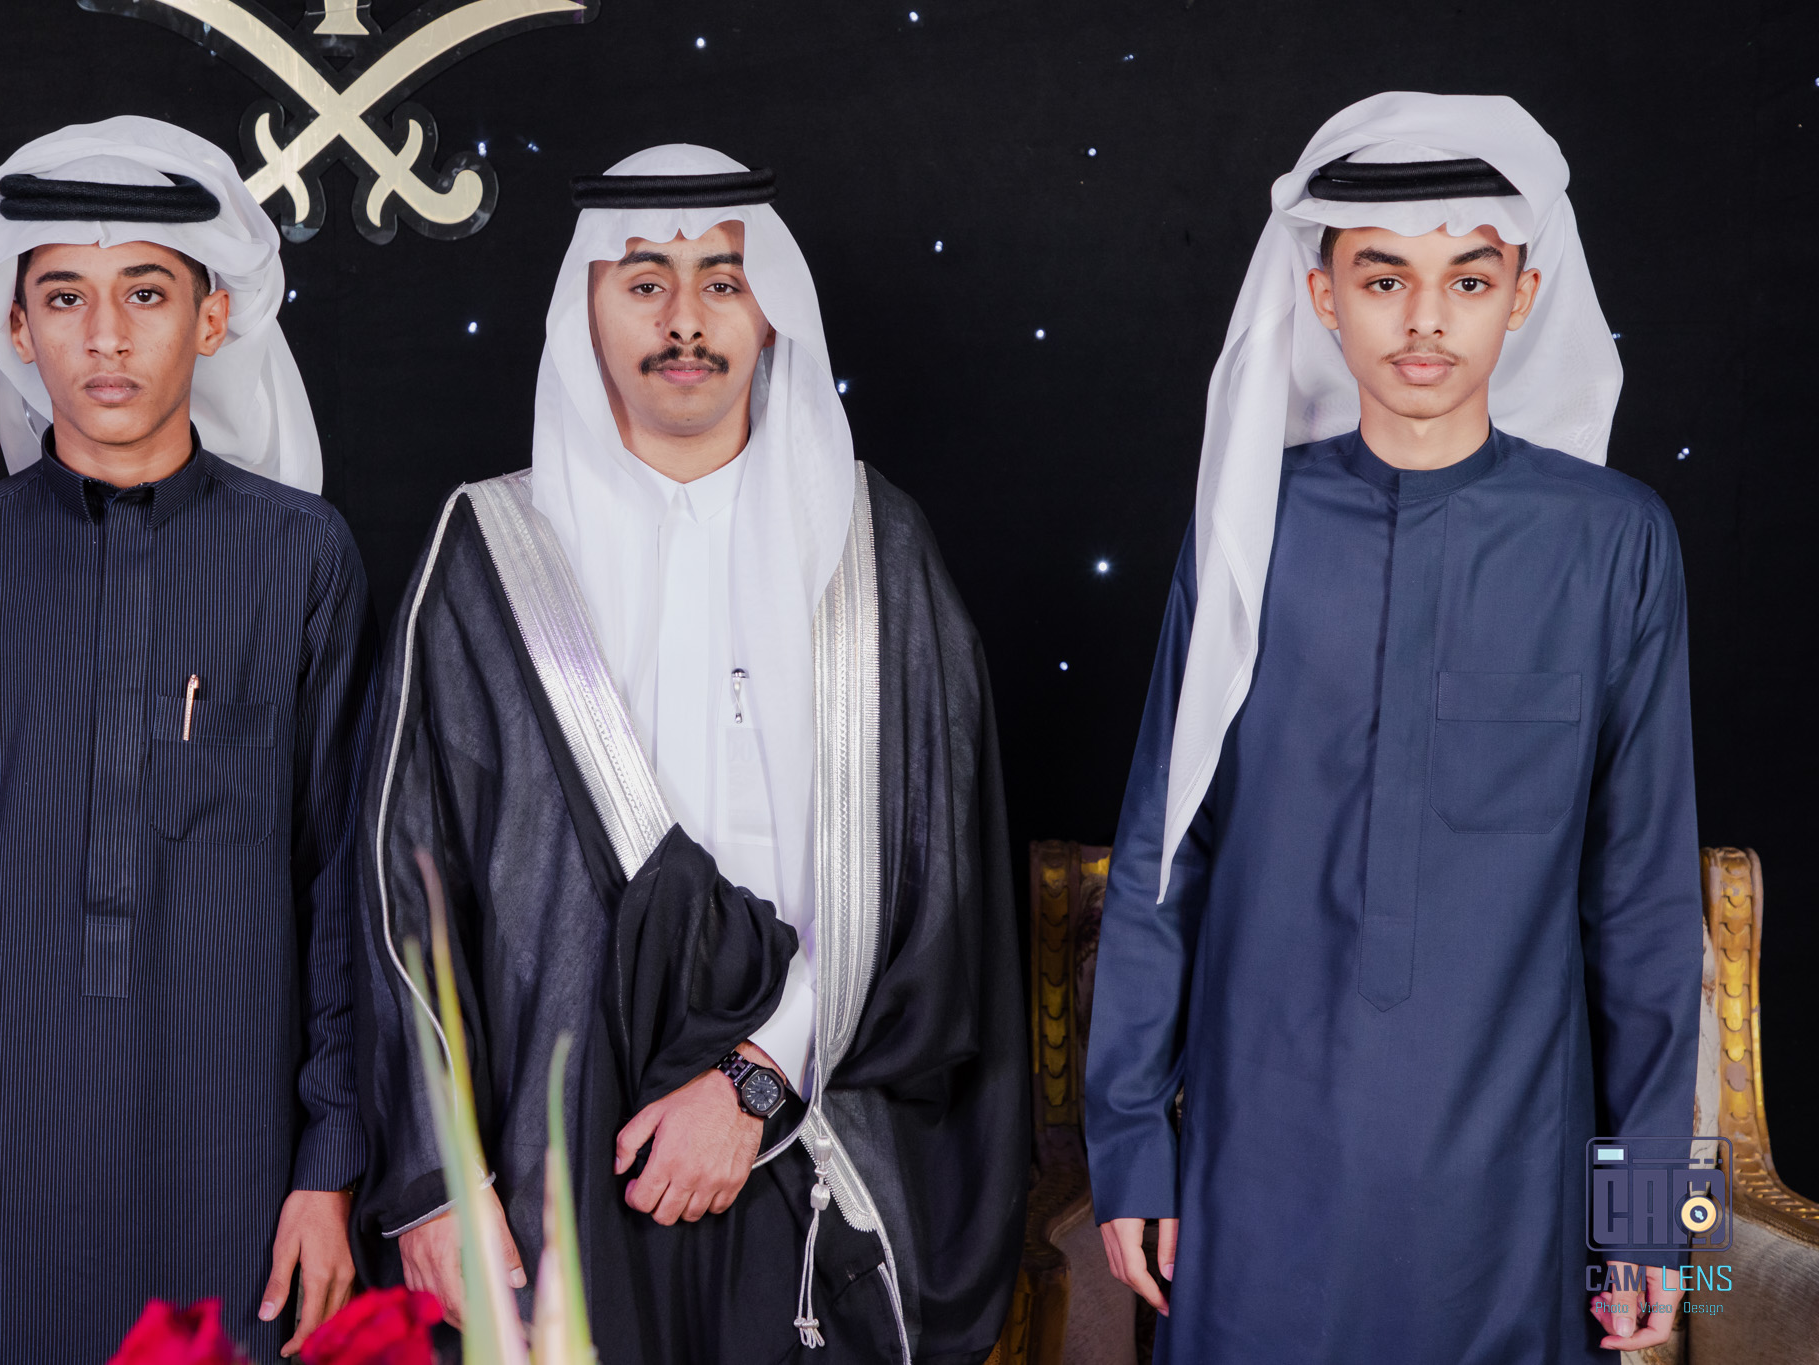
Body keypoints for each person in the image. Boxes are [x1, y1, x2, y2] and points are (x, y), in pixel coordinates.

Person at [352, 145, 1026, 1363]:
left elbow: (941, 888)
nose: (683, 321)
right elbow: (406, 891)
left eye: (722, 280)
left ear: (770, 313)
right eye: (643, 282)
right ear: (587, 311)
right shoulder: (489, 550)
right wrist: (434, 1185)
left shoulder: (874, 551)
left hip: (808, 1145)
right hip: (551, 1165)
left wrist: (757, 1078)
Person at [1085, 92, 1701, 1363]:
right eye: (1382, 279)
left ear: (1521, 297)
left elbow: (1644, 900)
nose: (1425, 319)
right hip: (1255, 1164)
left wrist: (1648, 1217)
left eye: (1466, 279)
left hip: (1512, 1185)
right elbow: (1163, 851)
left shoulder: (1615, 539)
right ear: (1322, 296)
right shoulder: (1244, 525)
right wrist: (1131, 1149)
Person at [0, 118, 375, 1363]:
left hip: (231, 1164)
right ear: (19, 330)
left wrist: (329, 1164)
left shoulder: (301, 560)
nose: (105, 336)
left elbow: (341, 891)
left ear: (212, 321)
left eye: (146, 294)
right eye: (65, 297)